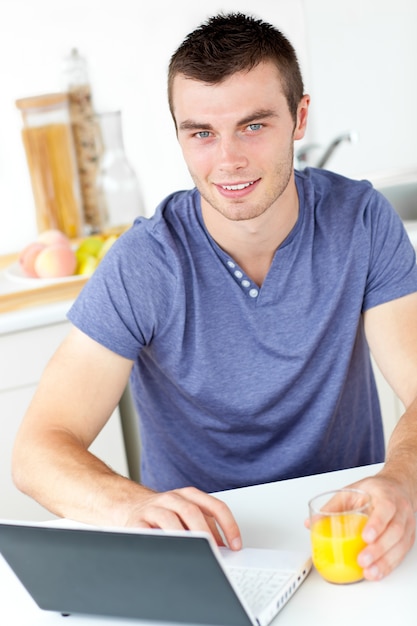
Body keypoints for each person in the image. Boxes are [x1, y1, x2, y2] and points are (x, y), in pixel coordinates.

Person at [12, 12, 417, 581]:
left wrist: (401, 479)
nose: (228, 159)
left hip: (345, 527)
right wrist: (131, 507)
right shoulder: (145, 263)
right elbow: (37, 452)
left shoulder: (362, 221)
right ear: (179, 133)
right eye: (201, 132)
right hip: (205, 552)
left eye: (253, 126)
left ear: (300, 118)